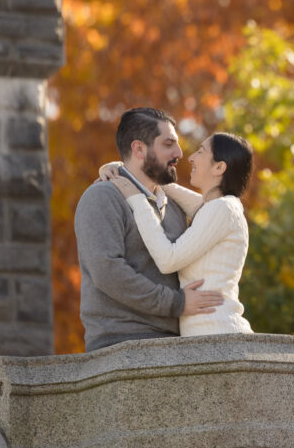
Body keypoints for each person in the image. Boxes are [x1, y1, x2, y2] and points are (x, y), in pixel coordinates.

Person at [74, 108, 225, 351]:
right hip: (123, 344)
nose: (179, 153)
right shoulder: (102, 198)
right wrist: (177, 303)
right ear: (139, 149)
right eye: (168, 144)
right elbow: (107, 271)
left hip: (178, 343)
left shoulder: (173, 205)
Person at [100, 131, 254, 336]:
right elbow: (172, 189)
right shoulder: (216, 208)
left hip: (218, 333)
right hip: (208, 334)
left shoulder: (223, 209)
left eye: (201, 151)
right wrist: (123, 169)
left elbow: (167, 259)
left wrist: (134, 197)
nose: (190, 157)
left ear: (219, 167)